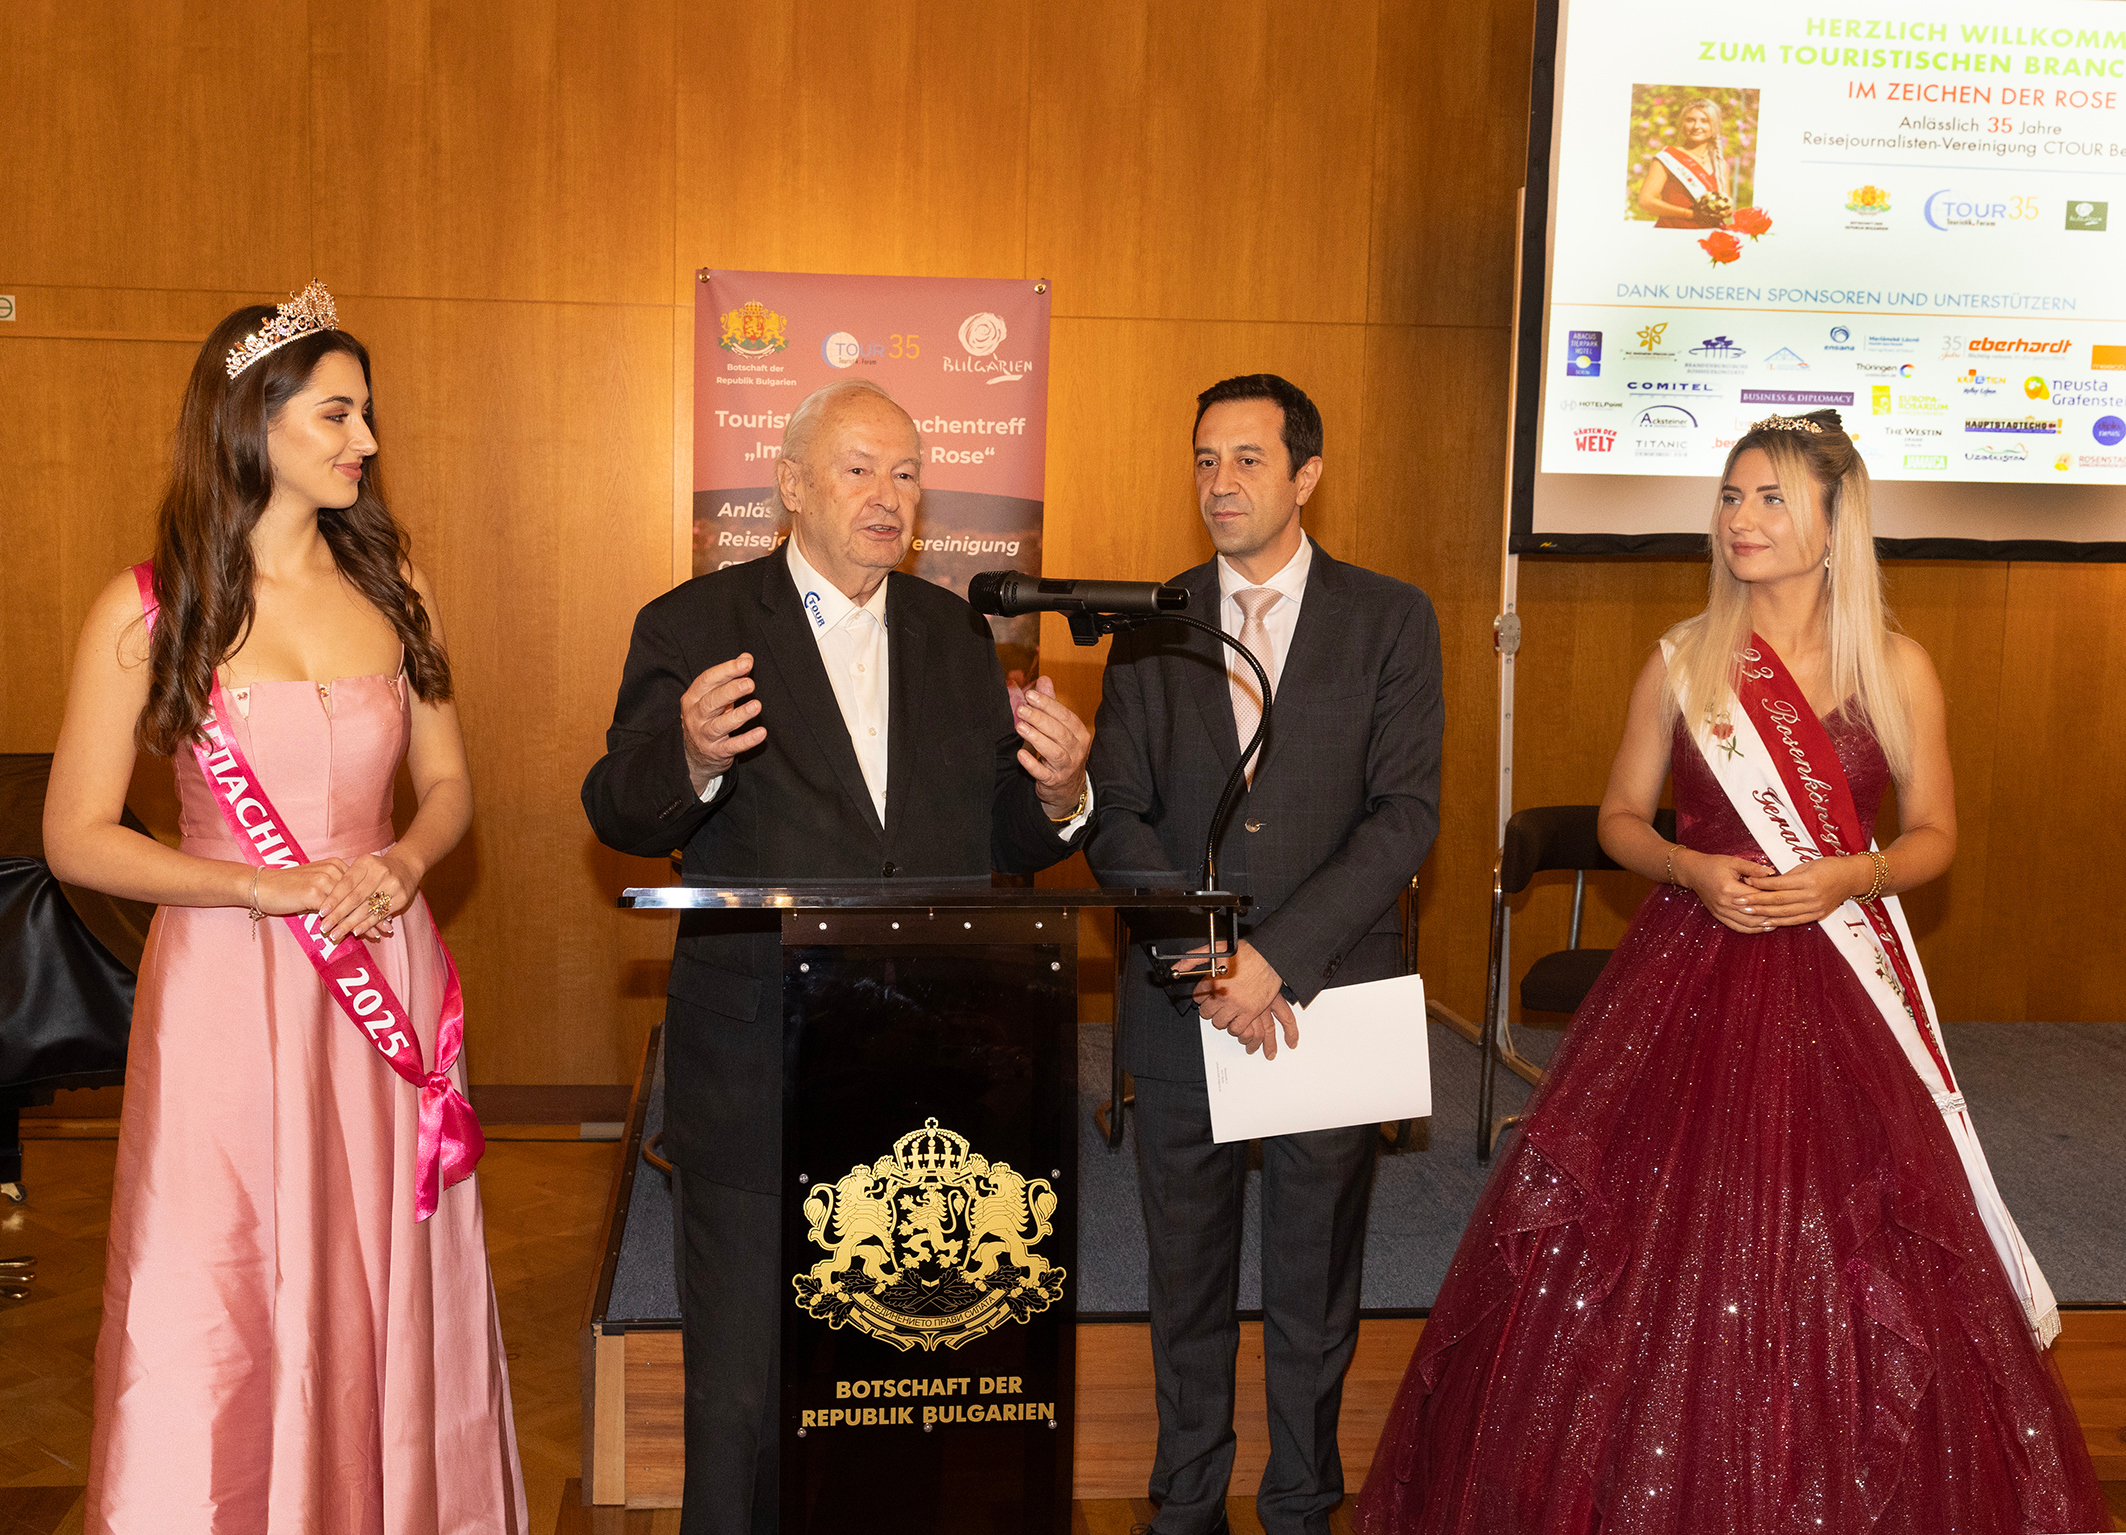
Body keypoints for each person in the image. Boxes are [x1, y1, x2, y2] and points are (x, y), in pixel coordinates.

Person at [1357, 411, 2106, 1535]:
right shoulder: (1683, 658)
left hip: (1842, 979)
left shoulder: (1896, 666)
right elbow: (1619, 817)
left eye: (1769, 498)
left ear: (1834, 521)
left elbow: (1936, 836)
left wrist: (1851, 873)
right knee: (1652, 1235)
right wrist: (1688, 865)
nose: (1741, 519)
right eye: (1730, 495)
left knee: (1852, 1233)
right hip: (1688, 970)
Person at [42, 285, 527, 1532]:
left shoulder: (395, 583)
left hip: (382, 960)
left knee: (380, 1257)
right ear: (253, 423)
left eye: (366, 412)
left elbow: (450, 785)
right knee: (223, 1257)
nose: (367, 438)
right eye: (338, 413)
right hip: (225, 977)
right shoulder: (147, 608)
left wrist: (405, 863)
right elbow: (75, 834)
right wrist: (258, 884)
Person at [580, 378, 1094, 1535]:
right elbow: (614, 805)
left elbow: (996, 840)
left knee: (906, 1382)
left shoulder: (953, 633)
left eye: (906, 473)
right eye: (859, 469)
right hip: (757, 1065)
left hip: (929, 1068)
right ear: (790, 486)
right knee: (745, 1386)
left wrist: (1061, 793)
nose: (887, 495)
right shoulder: (694, 623)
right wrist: (690, 756)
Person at [1087, 374, 1444, 1535]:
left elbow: (1403, 813)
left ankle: (1299, 1500)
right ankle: (1184, 1499)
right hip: (1180, 1001)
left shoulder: (1388, 617)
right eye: (1204, 459)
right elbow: (1113, 817)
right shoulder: (1150, 621)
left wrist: (1274, 957)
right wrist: (1208, 958)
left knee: (1310, 1279)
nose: (1219, 481)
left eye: (1246, 458)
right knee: (1182, 1280)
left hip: (1325, 998)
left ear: (1305, 475)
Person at [1636, 97, 1732, 227]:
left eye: (1705, 121)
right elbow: (1646, 202)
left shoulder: (1719, 163)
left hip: (1709, 234)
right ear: (1682, 124)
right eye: (1690, 120)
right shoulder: (1667, 158)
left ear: (1714, 126)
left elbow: (1727, 207)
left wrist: (1726, 211)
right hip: (1673, 231)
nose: (1696, 126)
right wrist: (1690, 214)